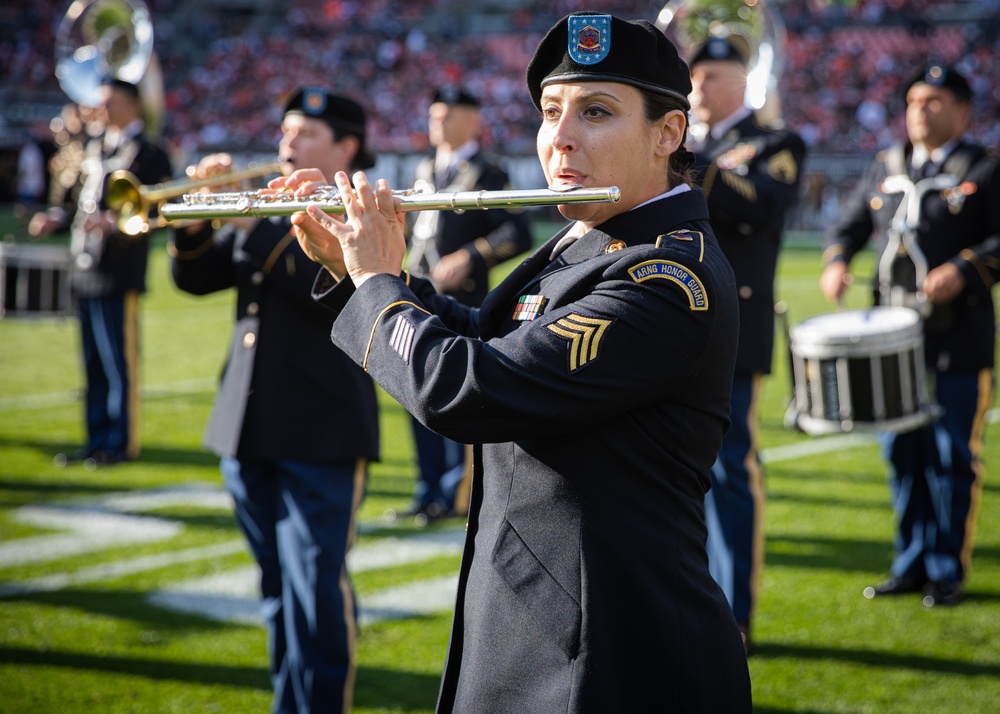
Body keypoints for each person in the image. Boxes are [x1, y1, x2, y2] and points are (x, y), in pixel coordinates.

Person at [288, 13, 751, 711]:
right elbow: (482, 335)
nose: (560, 137)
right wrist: (354, 273)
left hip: (609, 651)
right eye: (550, 111)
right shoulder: (587, 238)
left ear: (668, 134)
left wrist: (381, 286)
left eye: (596, 112)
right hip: (536, 622)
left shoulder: (664, 279)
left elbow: (476, 391)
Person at [170, 87, 380, 713]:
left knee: (313, 591)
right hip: (246, 420)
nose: (287, 144)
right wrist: (199, 220)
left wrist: (250, 226)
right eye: (286, 131)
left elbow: (323, 290)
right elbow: (196, 279)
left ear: (345, 146)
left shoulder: (359, 207)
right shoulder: (268, 203)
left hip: (320, 426)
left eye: (306, 134)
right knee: (274, 589)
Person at [821, 63, 1000, 608]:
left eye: (936, 100)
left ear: (963, 112)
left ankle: (947, 570)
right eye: (915, 100)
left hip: (956, 338)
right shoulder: (887, 165)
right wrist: (836, 260)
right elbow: (849, 224)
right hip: (893, 342)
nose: (921, 109)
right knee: (903, 452)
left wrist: (965, 268)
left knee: (950, 457)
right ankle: (910, 563)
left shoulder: (985, 170)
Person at [687, 36, 807, 651]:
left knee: (730, 467)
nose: (697, 86)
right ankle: (689, 600)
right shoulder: (690, 143)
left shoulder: (775, 142)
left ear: (742, 82)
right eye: (694, 75)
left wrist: (692, 164)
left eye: (710, 75)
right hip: (673, 317)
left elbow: (760, 207)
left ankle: (734, 611)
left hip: (735, 322)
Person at [403, 85, 534, 522]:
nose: (437, 121)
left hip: (464, 304)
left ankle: (456, 494)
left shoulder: (488, 173)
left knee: (456, 397)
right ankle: (427, 490)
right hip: (421, 298)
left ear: (473, 121)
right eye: (434, 113)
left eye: (449, 114)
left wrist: (471, 255)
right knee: (417, 395)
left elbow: (517, 234)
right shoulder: (425, 167)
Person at [30, 79, 172, 467]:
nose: (99, 110)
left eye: (107, 103)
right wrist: (55, 219)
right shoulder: (94, 146)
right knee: (92, 362)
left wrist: (116, 222)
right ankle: (95, 439)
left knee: (118, 363)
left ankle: (120, 442)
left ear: (130, 105)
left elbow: (163, 208)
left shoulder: (151, 151)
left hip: (118, 270)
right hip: (85, 267)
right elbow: (79, 204)